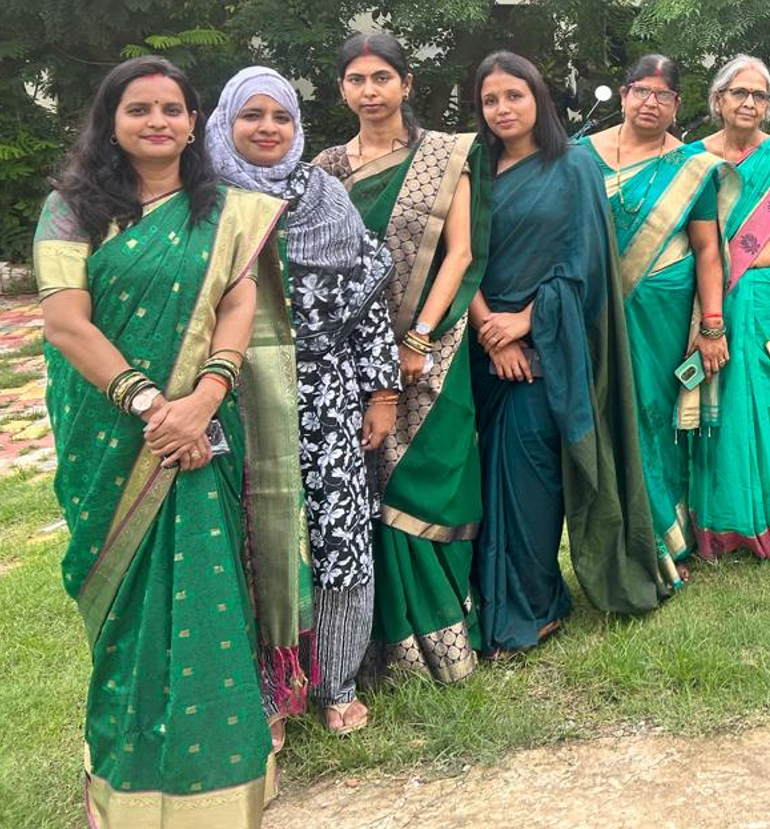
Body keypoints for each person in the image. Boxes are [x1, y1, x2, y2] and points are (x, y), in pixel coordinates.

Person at [37, 56, 303, 825]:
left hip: (203, 424)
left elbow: (237, 303)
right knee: (127, 611)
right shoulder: (72, 208)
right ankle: (126, 784)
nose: (157, 120)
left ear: (194, 124)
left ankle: (220, 784)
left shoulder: (228, 211)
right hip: (112, 432)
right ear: (111, 121)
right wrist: (155, 406)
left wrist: (206, 397)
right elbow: (65, 322)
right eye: (139, 108)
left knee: (210, 597)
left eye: (172, 109)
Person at [207, 66, 397, 736]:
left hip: (325, 398)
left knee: (337, 534)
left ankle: (335, 680)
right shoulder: (202, 201)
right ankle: (266, 691)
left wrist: (380, 392)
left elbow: (368, 303)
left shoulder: (325, 196)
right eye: (251, 115)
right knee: (250, 541)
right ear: (225, 122)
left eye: (280, 116)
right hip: (233, 400)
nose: (268, 128)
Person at [467, 51, 668, 656]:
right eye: (490, 100)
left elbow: (583, 262)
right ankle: (493, 599)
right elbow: (459, 255)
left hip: (548, 347)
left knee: (531, 479)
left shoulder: (573, 166)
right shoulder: (473, 167)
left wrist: (524, 324)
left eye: (514, 96)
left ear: (539, 98)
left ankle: (536, 603)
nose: (503, 109)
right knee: (484, 484)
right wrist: (491, 329)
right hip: (481, 348)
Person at [312, 32, 491, 682]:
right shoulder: (326, 168)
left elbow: (461, 253)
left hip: (433, 349)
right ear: (342, 89)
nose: (370, 91)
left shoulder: (446, 154)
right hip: (348, 355)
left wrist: (417, 338)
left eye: (382, 77)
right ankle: (377, 648)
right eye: (356, 79)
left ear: (406, 83)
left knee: (427, 481)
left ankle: (442, 642)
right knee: (365, 487)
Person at [577, 54, 731, 575]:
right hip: (595, 310)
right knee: (603, 416)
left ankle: (665, 542)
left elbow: (707, 250)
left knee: (653, 417)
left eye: (663, 95)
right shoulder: (582, 157)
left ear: (677, 104)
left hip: (664, 310)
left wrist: (712, 325)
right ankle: (616, 536)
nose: (651, 102)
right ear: (623, 95)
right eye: (641, 90)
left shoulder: (691, 167)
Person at [685, 55, 770, 558]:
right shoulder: (692, 160)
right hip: (711, 300)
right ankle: (718, 527)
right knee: (715, 405)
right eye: (738, 92)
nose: (749, 102)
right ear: (718, 99)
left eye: (758, 95)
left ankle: (764, 519)